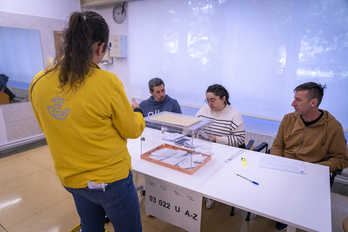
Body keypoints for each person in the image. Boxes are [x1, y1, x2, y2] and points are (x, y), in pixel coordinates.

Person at [29, 11, 145, 232]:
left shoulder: (39, 81)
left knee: (90, 228)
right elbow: (131, 130)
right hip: (111, 182)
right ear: (101, 47)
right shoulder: (107, 83)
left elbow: (47, 126)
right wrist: (137, 112)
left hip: (71, 179)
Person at [270, 82, 348, 231]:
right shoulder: (288, 119)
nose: (292, 103)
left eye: (298, 100)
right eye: (294, 99)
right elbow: (278, 145)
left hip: (310, 173)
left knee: (299, 205)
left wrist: (315, 168)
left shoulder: (333, 127)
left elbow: (342, 159)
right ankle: (282, 211)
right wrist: (276, 163)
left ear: (313, 102)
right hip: (284, 168)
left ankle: (291, 215)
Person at [196, 84, 245, 209]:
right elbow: (193, 127)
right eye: (207, 100)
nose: (209, 104)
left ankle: (211, 193)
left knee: (213, 169)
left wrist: (216, 139)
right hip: (204, 148)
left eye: (212, 100)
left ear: (223, 99)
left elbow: (239, 139)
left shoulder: (234, 115)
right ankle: (198, 189)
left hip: (224, 152)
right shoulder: (203, 111)